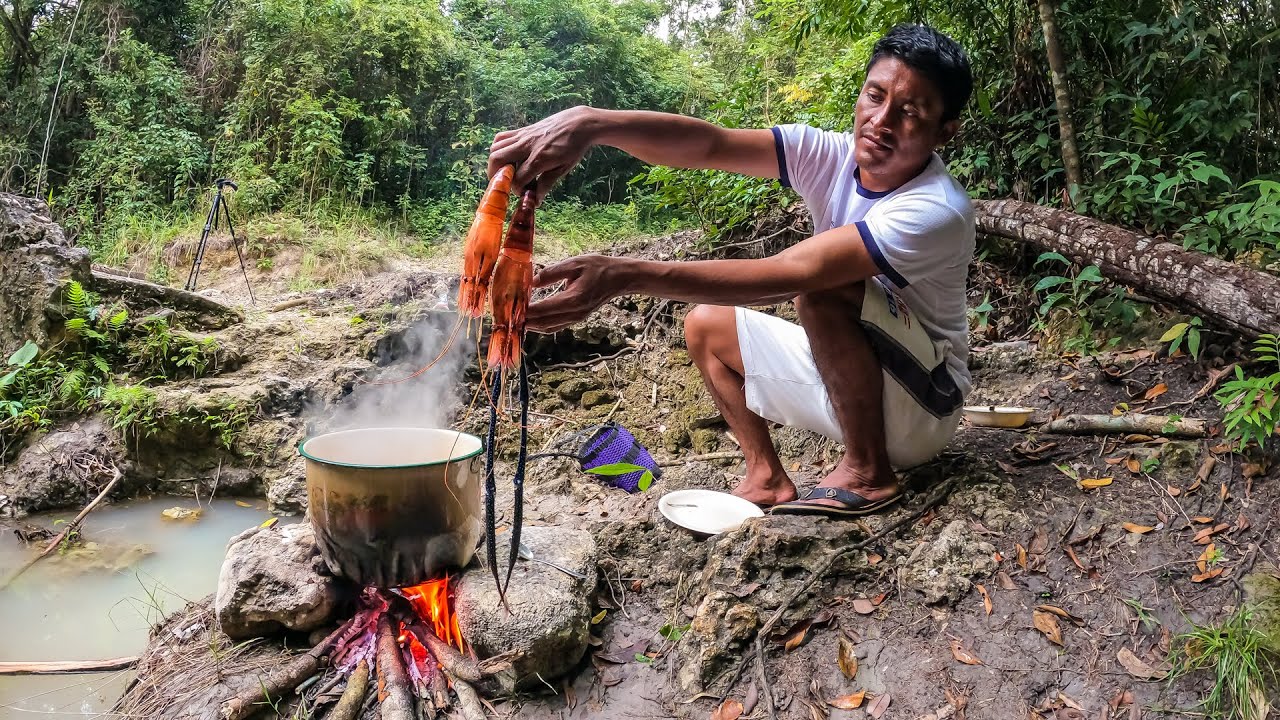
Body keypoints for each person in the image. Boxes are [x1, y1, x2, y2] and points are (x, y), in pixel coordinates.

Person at [487, 24, 975, 517]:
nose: (881, 120)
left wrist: (623, 274)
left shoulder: (937, 208)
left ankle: (869, 473)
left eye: (910, 112)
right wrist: (592, 125)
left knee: (823, 285)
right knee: (706, 323)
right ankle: (766, 476)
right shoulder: (829, 156)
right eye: (875, 96)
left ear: (944, 132)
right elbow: (710, 146)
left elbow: (788, 273)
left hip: (923, 408)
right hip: (861, 383)